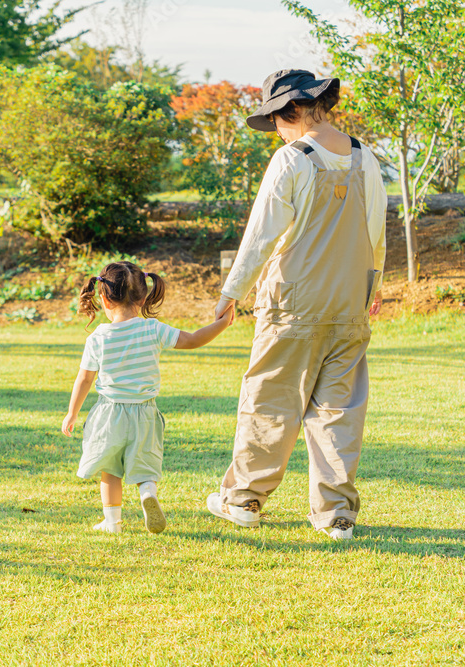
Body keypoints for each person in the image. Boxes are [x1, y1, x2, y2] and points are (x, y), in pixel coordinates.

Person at [205, 69, 387, 540]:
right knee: (338, 411)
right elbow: (376, 233)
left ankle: (244, 499)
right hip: (350, 302)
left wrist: (231, 293)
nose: (277, 134)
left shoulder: (292, 160)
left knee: (270, 400)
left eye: (277, 122)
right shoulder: (366, 157)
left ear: (292, 112)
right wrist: (374, 287)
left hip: (293, 303)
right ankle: (336, 515)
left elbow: (260, 236)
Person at [62, 261, 234, 534]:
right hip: (145, 413)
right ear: (143, 298)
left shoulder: (98, 337)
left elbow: (84, 379)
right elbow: (192, 339)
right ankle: (147, 493)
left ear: (103, 298)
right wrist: (222, 324)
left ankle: (112, 522)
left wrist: (72, 413)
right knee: (144, 465)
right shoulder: (153, 329)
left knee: (110, 469)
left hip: (110, 414)